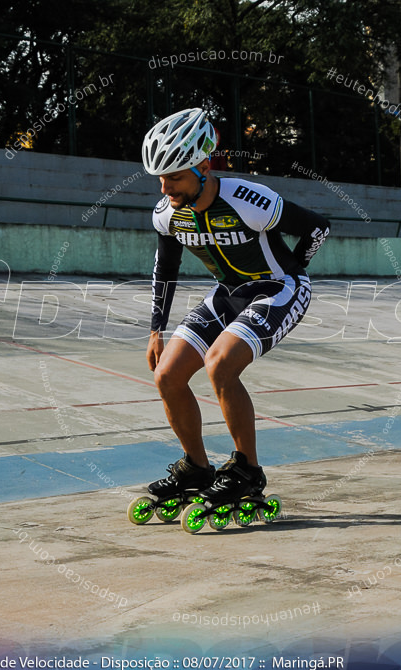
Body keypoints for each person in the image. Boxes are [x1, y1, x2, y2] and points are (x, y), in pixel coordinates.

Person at [140, 107, 330, 506]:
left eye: (174, 177)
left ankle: (248, 470)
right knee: (167, 376)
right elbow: (166, 268)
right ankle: (196, 468)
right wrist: (157, 329)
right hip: (228, 292)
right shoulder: (168, 215)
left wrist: (296, 270)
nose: (165, 188)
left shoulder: (249, 200)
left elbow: (317, 227)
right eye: (161, 178)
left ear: (203, 167)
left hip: (279, 288)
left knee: (220, 364)